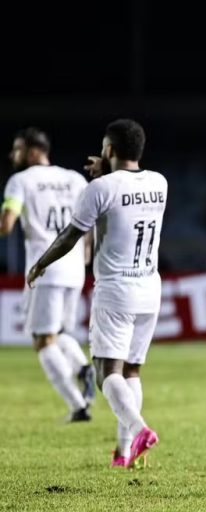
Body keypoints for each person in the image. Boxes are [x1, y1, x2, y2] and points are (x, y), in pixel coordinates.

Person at [27, 119, 167, 469]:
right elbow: (126, 191)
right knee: (131, 371)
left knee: (107, 373)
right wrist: (108, 168)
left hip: (117, 290)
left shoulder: (99, 189)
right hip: (150, 287)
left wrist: (39, 264)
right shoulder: (160, 183)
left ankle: (138, 430)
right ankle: (122, 454)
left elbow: (69, 237)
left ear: (108, 149)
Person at [1, 127, 95, 422]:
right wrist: (86, 255)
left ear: (31, 152)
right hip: (75, 267)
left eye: (16, 149)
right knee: (60, 333)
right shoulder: (74, 179)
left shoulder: (20, 181)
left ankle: (77, 405)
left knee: (43, 340)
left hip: (46, 267)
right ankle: (83, 367)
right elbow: (89, 223)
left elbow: (6, 224)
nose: (12, 155)